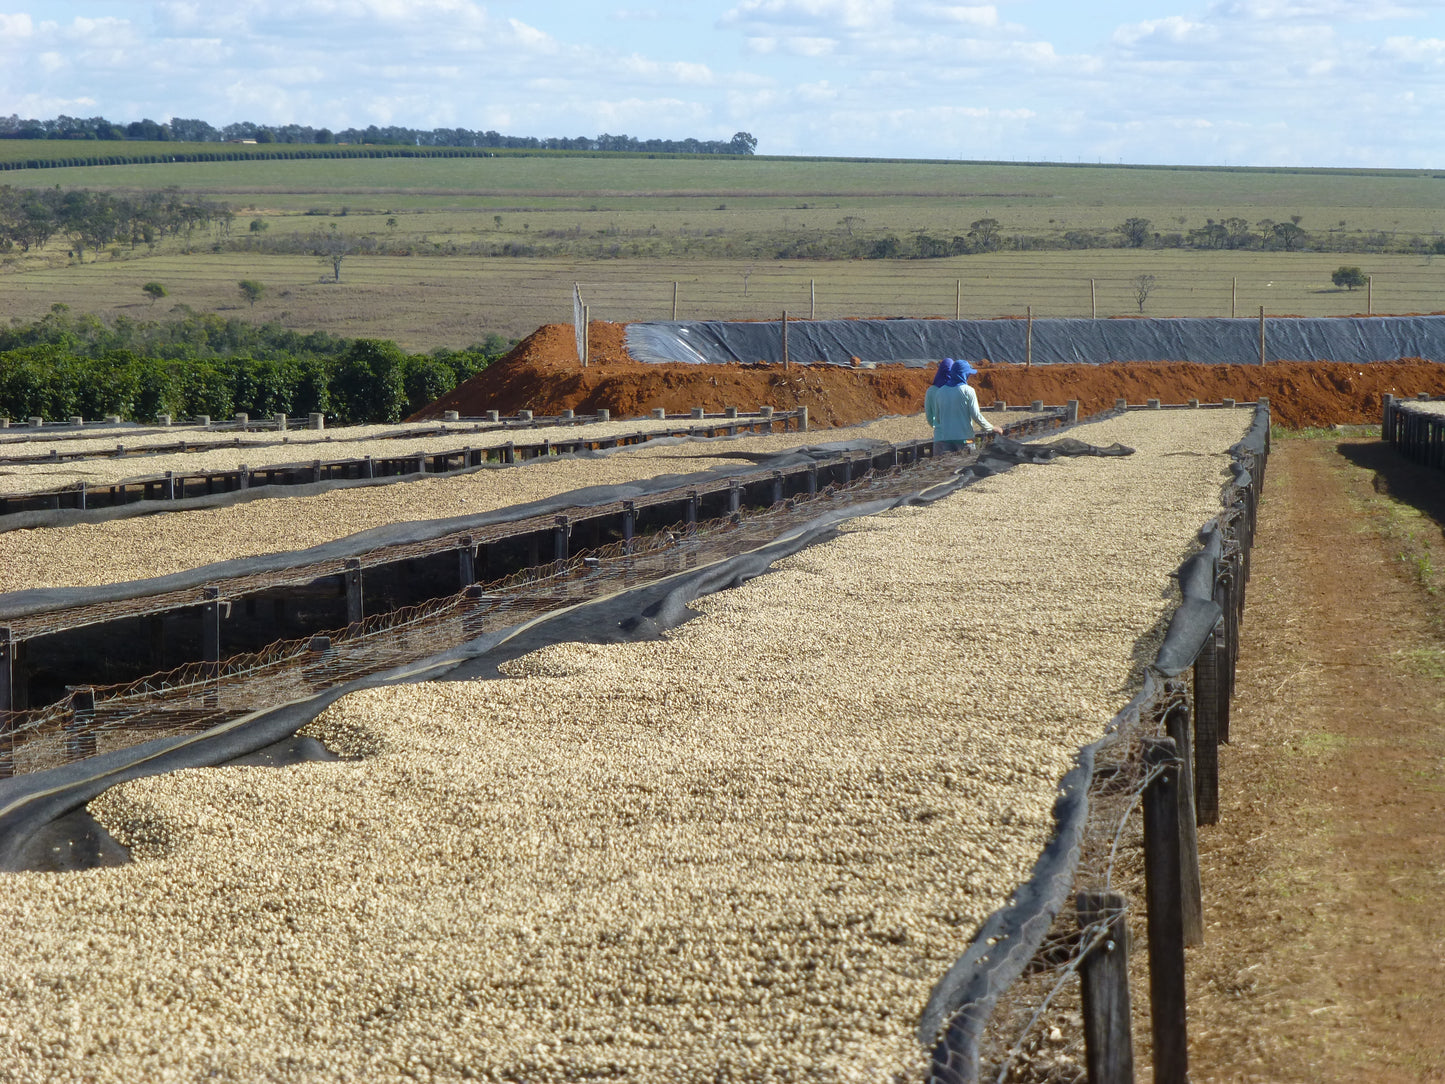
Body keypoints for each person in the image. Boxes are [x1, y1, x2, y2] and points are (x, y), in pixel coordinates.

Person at [924, 357, 996, 453]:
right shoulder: (968, 390)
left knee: (944, 466)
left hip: (945, 439)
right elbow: (976, 415)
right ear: (964, 374)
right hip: (966, 439)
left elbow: (937, 418)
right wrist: (991, 428)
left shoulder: (940, 392)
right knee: (966, 466)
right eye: (968, 374)